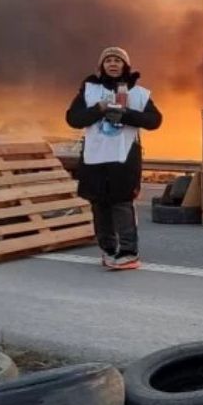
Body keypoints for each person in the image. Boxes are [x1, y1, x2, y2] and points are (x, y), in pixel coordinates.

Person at [66, 47, 162, 269]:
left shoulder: (139, 93)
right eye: (108, 60)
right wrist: (98, 109)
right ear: (101, 66)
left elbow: (154, 121)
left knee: (122, 203)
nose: (112, 64)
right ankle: (108, 250)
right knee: (99, 204)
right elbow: (73, 118)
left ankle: (129, 253)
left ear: (125, 66)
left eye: (117, 60)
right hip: (94, 156)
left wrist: (126, 114)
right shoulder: (89, 90)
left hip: (124, 156)